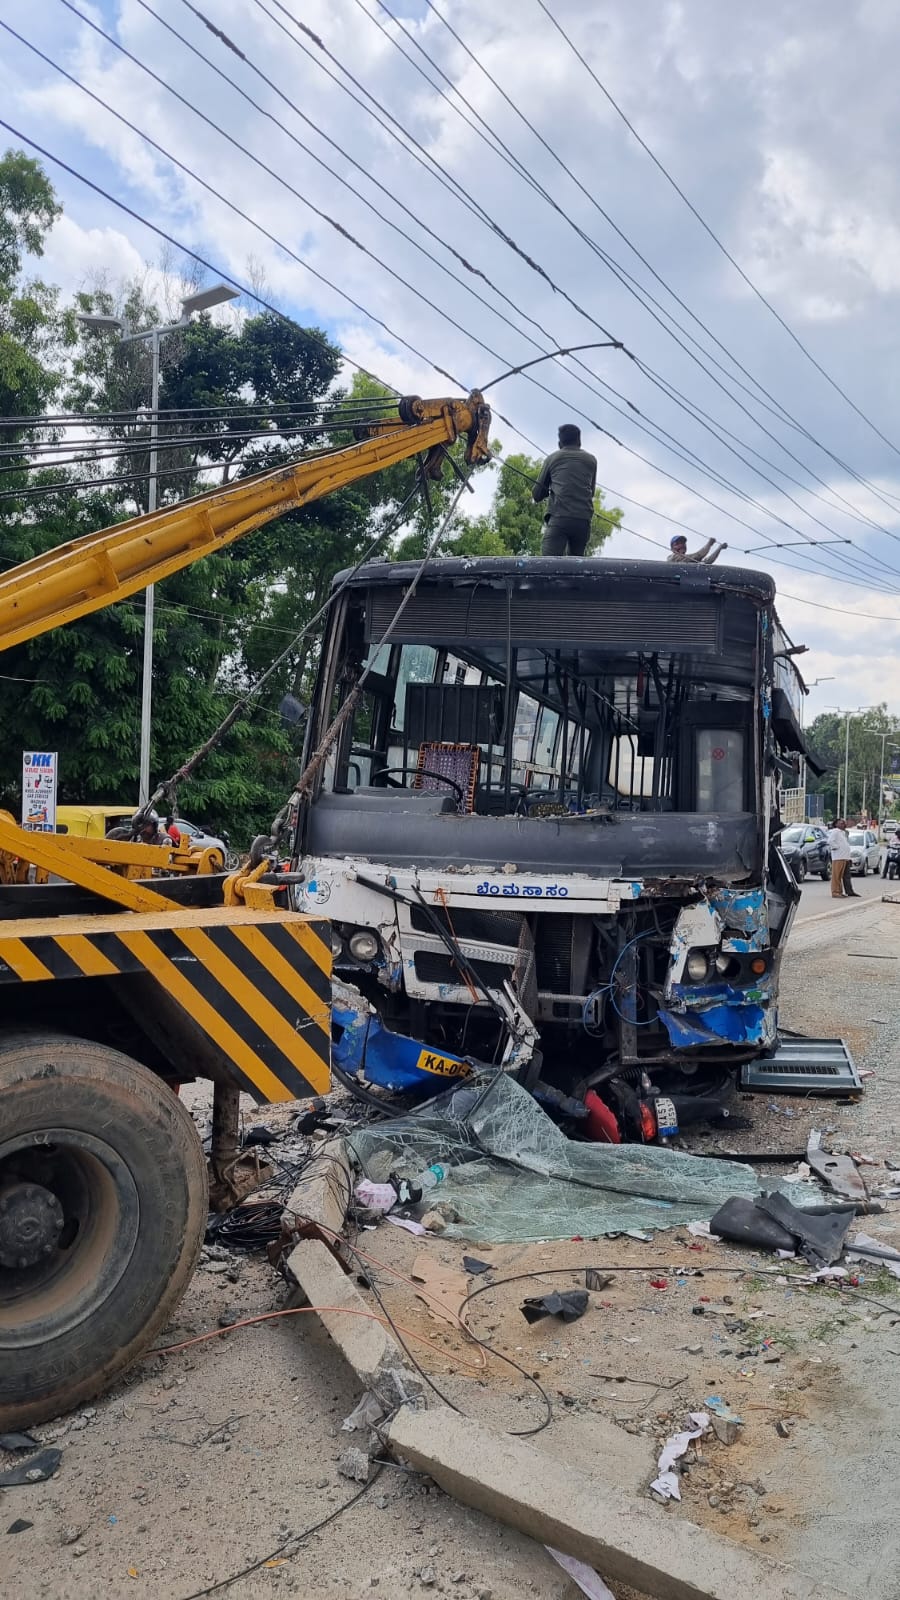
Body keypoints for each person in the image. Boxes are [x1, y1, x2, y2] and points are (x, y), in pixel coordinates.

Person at [532, 423, 598, 555]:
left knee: (548, 565)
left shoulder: (552, 458)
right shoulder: (591, 460)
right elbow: (591, 492)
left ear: (560, 443)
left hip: (559, 518)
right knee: (576, 567)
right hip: (583, 521)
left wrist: (549, 489)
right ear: (579, 441)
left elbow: (537, 494)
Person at [826, 818, 858, 898]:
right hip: (838, 857)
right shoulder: (835, 831)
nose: (843, 824)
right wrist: (837, 847)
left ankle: (840, 891)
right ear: (836, 824)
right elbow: (830, 841)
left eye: (843, 823)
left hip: (844, 857)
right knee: (836, 876)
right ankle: (835, 892)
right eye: (841, 823)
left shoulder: (842, 833)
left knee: (840, 876)